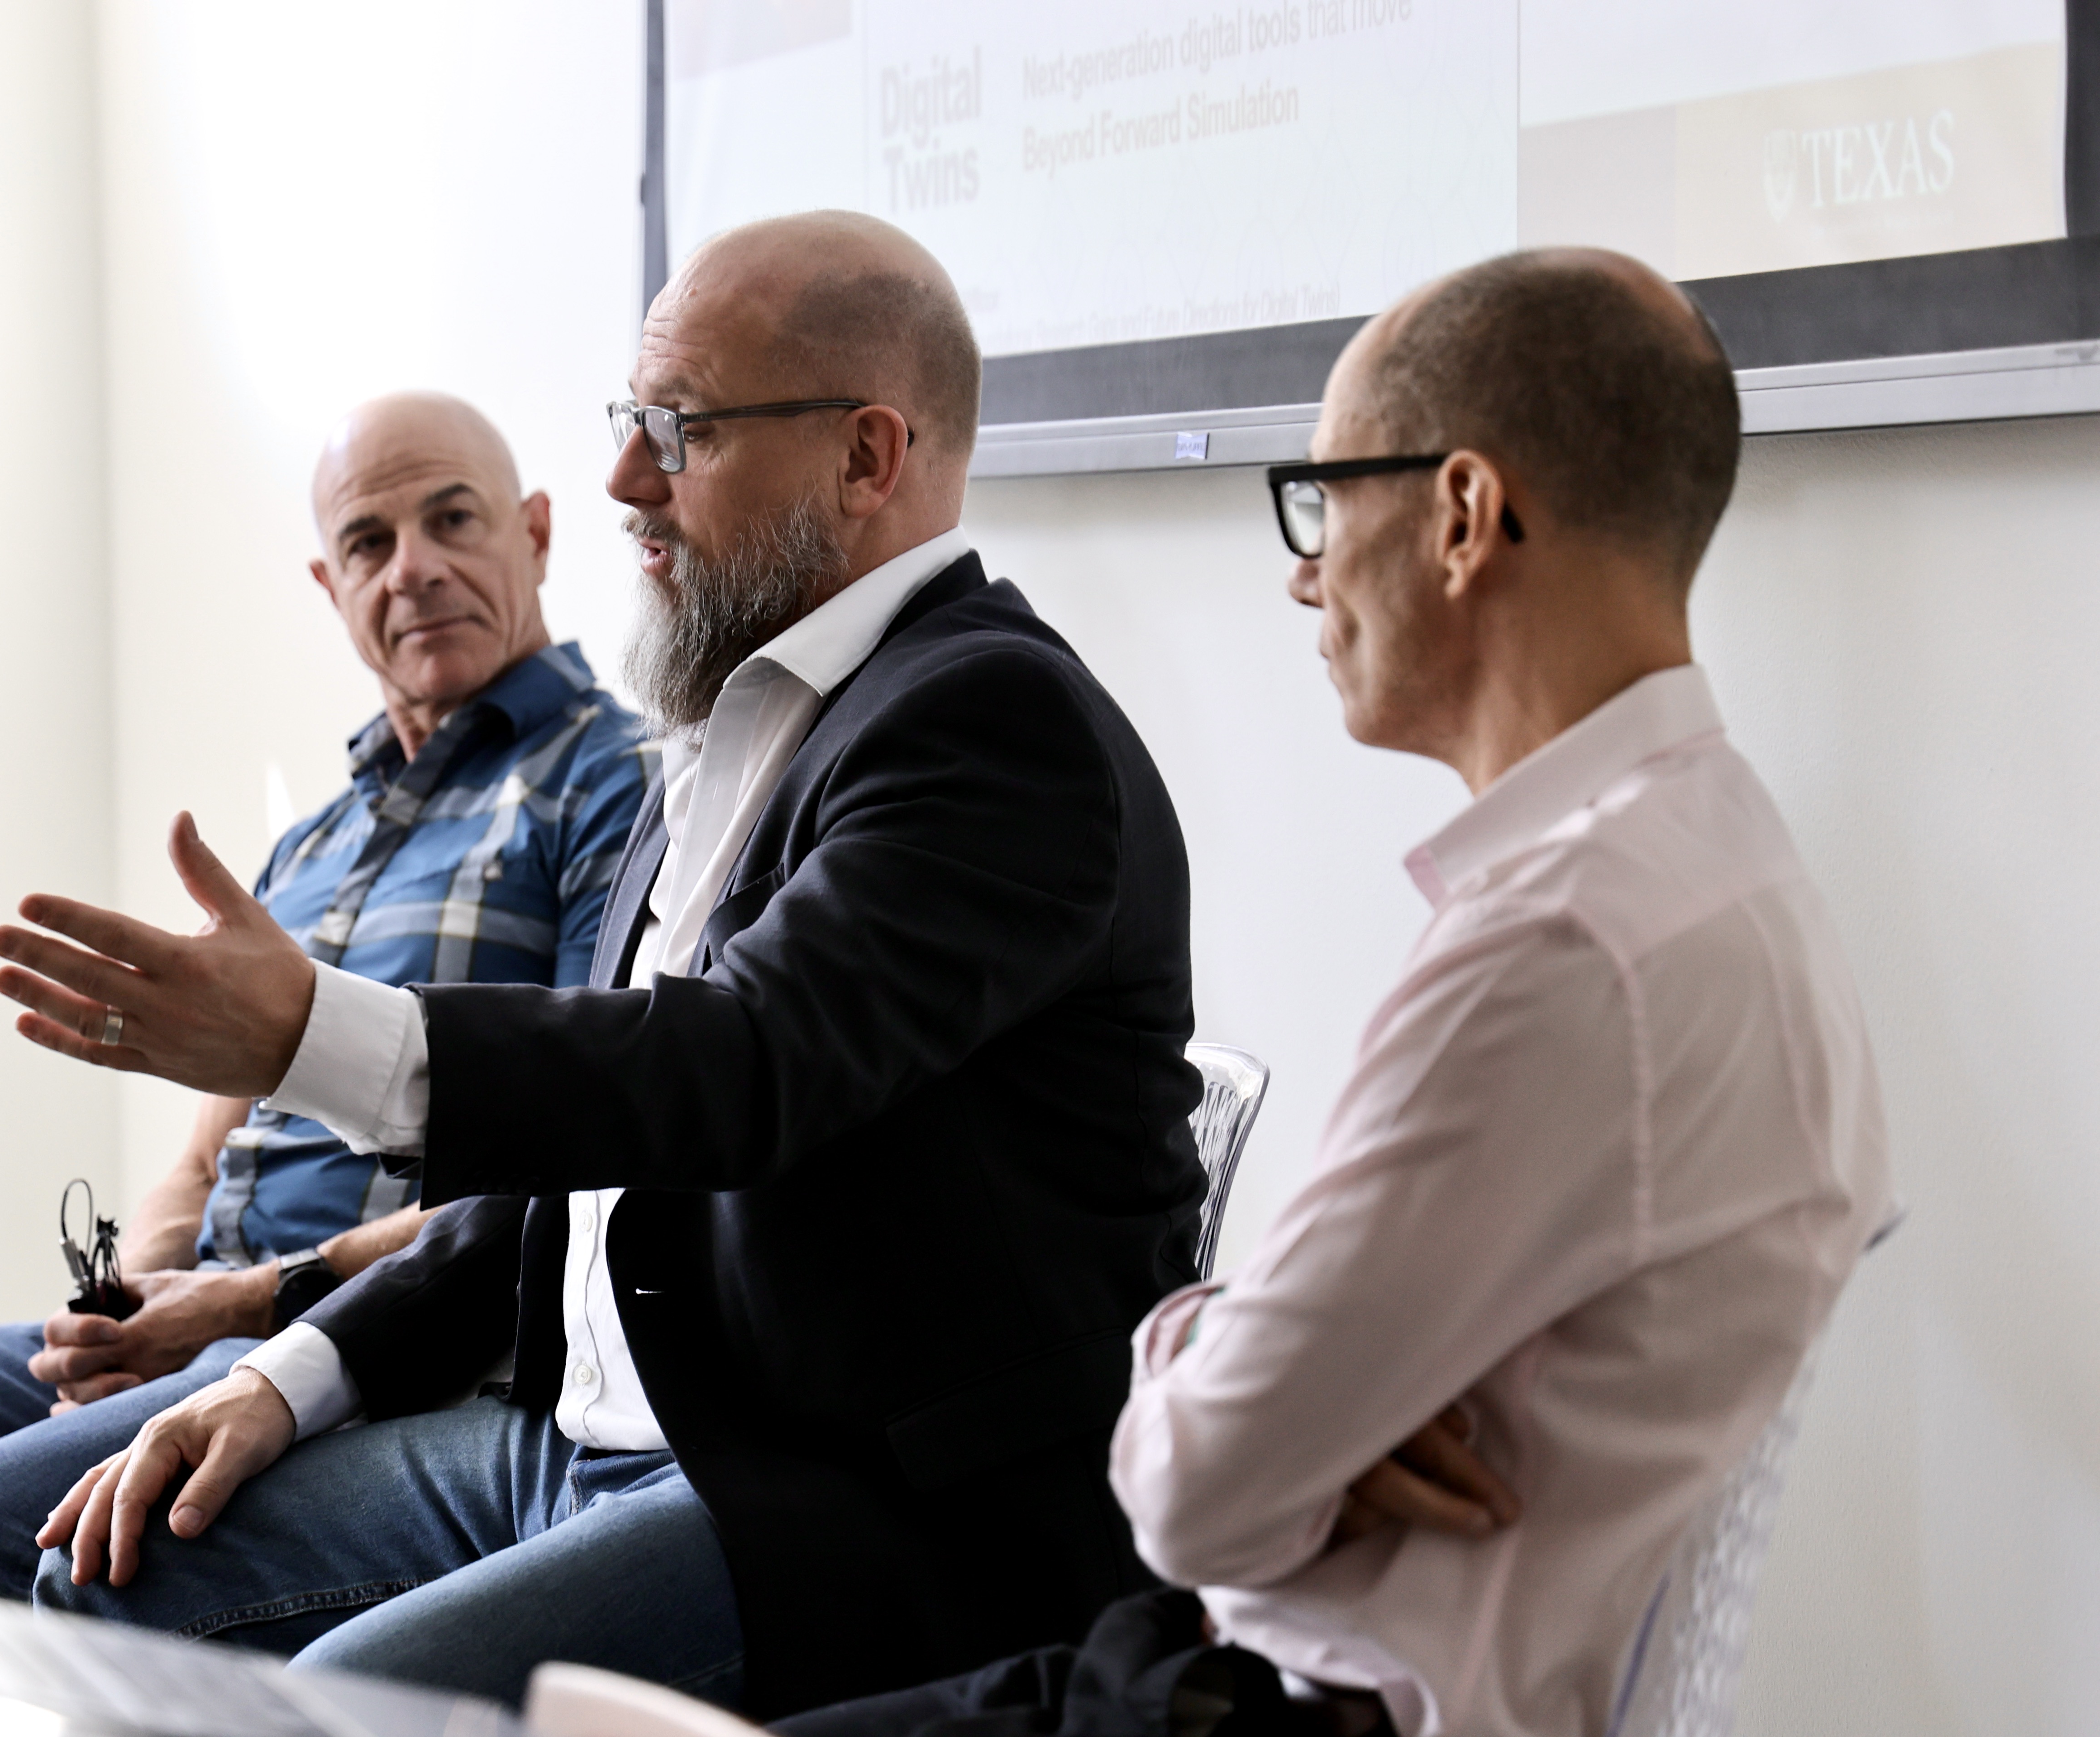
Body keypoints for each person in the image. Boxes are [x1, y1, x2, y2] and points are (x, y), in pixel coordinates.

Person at [0, 210, 1205, 1718]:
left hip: (818, 1494)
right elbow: (578, 1168)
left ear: (867, 459)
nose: (627, 480)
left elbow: (736, 1073)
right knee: (75, 1564)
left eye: (678, 432)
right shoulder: (727, 726)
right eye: (635, 423)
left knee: (340, 1712)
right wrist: (285, 1377)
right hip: (575, 1441)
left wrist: (310, 1034)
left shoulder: (994, 729)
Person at [778, 249, 1898, 1737]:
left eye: (1324, 498)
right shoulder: (1722, 860)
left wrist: (1200, 1343)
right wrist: (1287, 1397)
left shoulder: (1558, 947)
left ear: (1462, 515)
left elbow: (1191, 1496)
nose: (1303, 570)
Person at [0, 392, 650, 1603]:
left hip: (356, 1334)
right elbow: (207, 1155)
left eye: (452, 520)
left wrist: (237, 1304)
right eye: (371, 543)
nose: (413, 571)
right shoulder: (315, 839)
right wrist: (126, 1307)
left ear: (534, 532)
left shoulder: (609, 789)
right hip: (191, 1314)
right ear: (330, 585)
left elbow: (578, 1166)